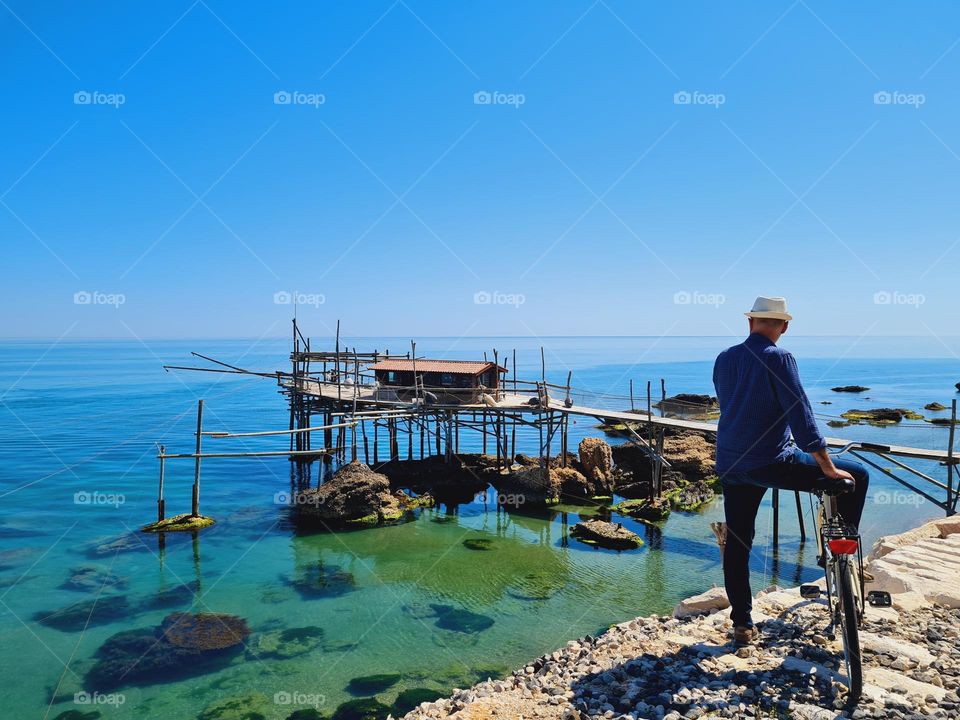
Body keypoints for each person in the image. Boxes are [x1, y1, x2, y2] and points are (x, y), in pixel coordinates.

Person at [712, 296, 869, 645]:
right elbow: (800, 414)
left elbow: (732, 405)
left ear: (750, 322)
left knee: (738, 541)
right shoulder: (779, 357)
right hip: (772, 462)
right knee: (856, 475)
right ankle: (844, 551)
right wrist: (827, 466)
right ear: (784, 326)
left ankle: (742, 624)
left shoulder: (724, 359)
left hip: (731, 463)